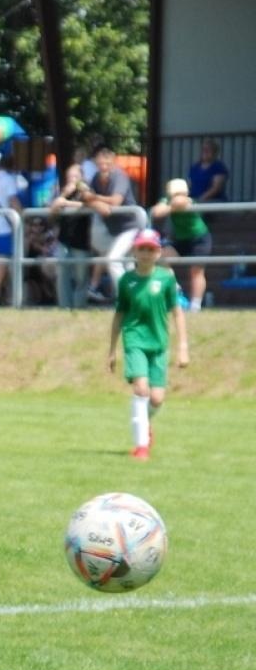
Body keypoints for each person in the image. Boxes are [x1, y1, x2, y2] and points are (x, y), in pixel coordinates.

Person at [108, 229, 189, 461]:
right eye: (141, 249)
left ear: (158, 252)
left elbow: (177, 313)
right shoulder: (127, 281)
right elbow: (119, 316)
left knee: (156, 399)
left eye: (150, 249)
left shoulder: (166, 279)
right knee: (141, 390)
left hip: (158, 343)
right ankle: (141, 446)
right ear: (134, 251)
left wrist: (182, 347)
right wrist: (112, 350)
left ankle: (145, 425)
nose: (145, 254)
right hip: (134, 341)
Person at [84, 146, 142, 302]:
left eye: (107, 164)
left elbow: (116, 201)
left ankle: (125, 299)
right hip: (114, 229)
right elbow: (86, 198)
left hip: (130, 227)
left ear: (113, 162)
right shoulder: (96, 178)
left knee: (113, 260)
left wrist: (94, 198)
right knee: (128, 265)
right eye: (100, 164)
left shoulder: (120, 176)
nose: (103, 167)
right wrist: (93, 200)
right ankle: (135, 298)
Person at [151, 177, 211, 311]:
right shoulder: (166, 200)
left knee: (196, 271)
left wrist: (170, 206)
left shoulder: (190, 201)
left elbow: (180, 203)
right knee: (160, 259)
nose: (177, 196)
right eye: (174, 194)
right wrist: (169, 206)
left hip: (199, 239)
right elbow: (156, 212)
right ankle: (175, 289)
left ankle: (195, 305)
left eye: (180, 193)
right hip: (181, 239)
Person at [49, 164, 94, 309]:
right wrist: (62, 196)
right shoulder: (63, 193)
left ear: (81, 177)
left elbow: (89, 205)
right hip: (64, 241)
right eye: (69, 177)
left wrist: (66, 202)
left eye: (74, 177)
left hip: (81, 242)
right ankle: (64, 307)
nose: (71, 180)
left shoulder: (86, 191)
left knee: (81, 277)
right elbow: (51, 213)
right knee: (62, 274)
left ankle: (79, 307)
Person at [0, 155, 26, 305]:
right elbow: (13, 201)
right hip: (2, 223)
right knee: (2, 259)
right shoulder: (8, 180)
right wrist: (23, 216)